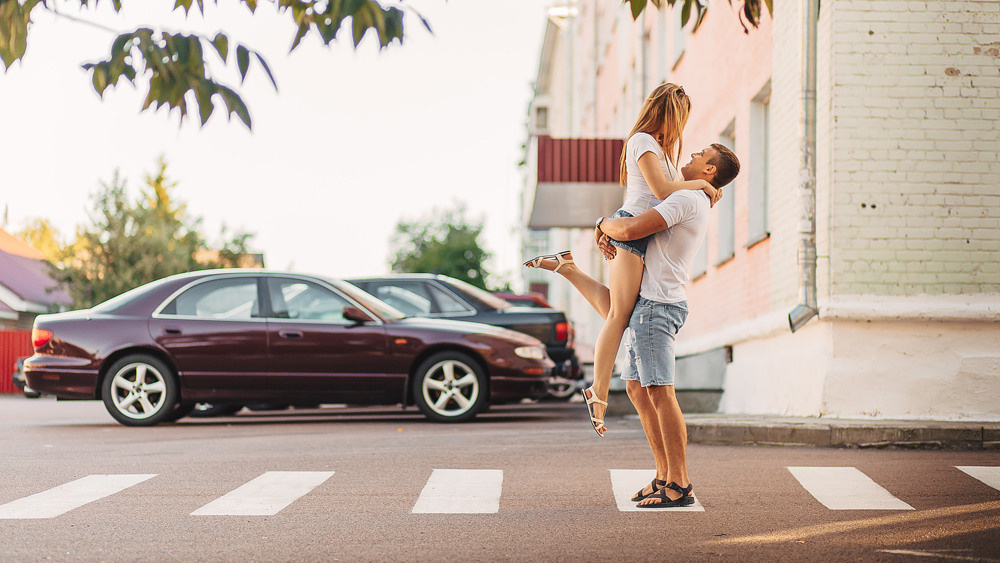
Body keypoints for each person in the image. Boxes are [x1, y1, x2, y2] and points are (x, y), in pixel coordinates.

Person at [535, 144, 740, 507]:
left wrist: (601, 224)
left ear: (709, 172)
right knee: (637, 389)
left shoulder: (687, 200)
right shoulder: (691, 196)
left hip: (657, 307)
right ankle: (663, 475)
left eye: (700, 154)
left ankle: (679, 484)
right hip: (653, 302)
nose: (691, 154)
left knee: (660, 392)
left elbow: (630, 229)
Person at [524, 83, 720, 437]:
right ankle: (597, 391)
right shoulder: (643, 140)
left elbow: (667, 192)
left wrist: (700, 186)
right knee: (618, 317)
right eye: (680, 118)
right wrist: (700, 186)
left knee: (619, 310)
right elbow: (660, 192)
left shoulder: (660, 149)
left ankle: (567, 267)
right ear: (669, 114)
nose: (682, 129)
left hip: (639, 234)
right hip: (631, 226)